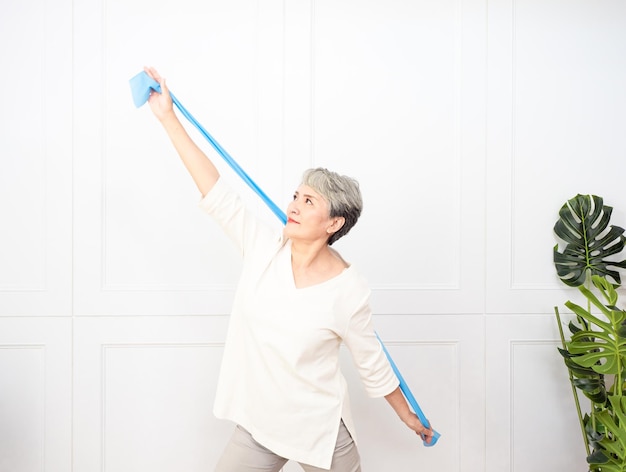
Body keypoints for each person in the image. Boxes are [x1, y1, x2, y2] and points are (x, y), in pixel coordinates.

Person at [144, 66, 434, 472]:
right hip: (261, 424)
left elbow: (372, 362)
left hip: (320, 432)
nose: (294, 205)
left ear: (334, 223)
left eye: (310, 201)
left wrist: (406, 415)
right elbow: (214, 190)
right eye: (296, 195)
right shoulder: (264, 248)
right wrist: (167, 117)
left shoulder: (349, 289)